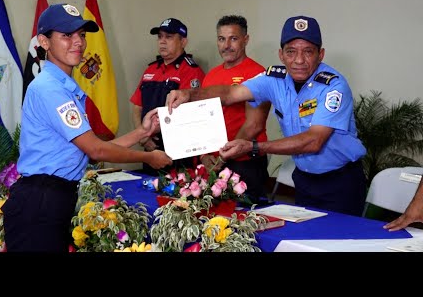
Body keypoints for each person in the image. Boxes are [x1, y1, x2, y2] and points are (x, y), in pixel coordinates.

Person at [2, 3, 172, 252]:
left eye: (81, 35)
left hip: (51, 199)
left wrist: (142, 132)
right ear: (44, 41)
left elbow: (88, 149)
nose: (78, 42)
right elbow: (97, 151)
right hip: (40, 202)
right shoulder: (51, 89)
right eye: (66, 35)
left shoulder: (63, 86)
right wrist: (149, 157)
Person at [167, 15, 367, 216]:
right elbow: (230, 94)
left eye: (308, 52)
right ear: (280, 55)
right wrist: (188, 94)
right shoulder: (274, 79)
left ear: (320, 54)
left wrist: (254, 147)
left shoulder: (333, 86)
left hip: (340, 182)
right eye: (291, 52)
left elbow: (313, 141)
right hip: (305, 180)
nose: (299, 60)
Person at [199, 15, 271, 202]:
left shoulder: (258, 74)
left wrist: (223, 158)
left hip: (245, 162)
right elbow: (202, 118)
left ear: (246, 40)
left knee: (247, 221)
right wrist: (203, 155)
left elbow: (254, 125)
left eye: (233, 38)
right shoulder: (211, 76)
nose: (226, 45)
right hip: (213, 163)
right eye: (222, 39)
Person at [130, 17, 206, 176]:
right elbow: (137, 107)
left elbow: (191, 115)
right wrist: (143, 137)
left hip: (177, 153)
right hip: (149, 148)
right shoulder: (150, 70)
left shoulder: (191, 71)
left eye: (169, 37)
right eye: (160, 37)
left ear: (183, 41)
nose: (162, 42)